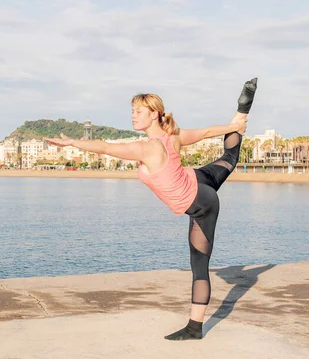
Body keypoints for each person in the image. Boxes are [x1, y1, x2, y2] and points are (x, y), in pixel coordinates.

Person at [44, 78, 258, 340]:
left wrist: (72, 143)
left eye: (138, 112)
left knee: (199, 267)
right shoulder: (172, 136)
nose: (133, 116)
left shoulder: (147, 148)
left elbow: (105, 148)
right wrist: (234, 125)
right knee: (228, 159)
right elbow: (204, 133)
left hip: (202, 203)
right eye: (132, 111)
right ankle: (242, 109)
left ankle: (194, 328)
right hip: (197, 180)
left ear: (154, 114)